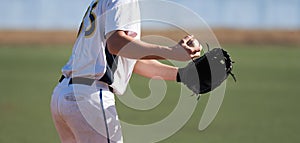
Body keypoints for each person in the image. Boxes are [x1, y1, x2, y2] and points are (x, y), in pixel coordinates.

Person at [50, 0, 201, 142]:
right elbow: (116, 43)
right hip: (91, 97)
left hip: (64, 95)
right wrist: (171, 52)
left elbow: (131, 59)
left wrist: (183, 75)